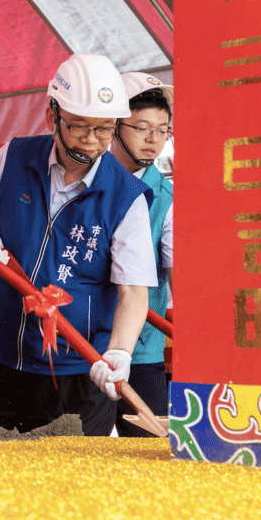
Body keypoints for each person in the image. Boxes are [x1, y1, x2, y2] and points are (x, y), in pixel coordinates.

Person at [0, 53, 157, 436]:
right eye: (79, 126)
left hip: (78, 373)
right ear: (53, 117)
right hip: (0, 358)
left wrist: (118, 352)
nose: (92, 139)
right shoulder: (14, 157)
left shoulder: (127, 196)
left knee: (72, 488)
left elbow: (134, 291)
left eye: (104, 129)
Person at [109, 72, 174, 437]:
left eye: (163, 130)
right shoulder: (85, 178)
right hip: (73, 345)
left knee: (149, 451)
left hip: (140, 350)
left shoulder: (166, 198)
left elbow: (179, 274)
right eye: (142, 127)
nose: (154, 140)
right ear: (114, 126)